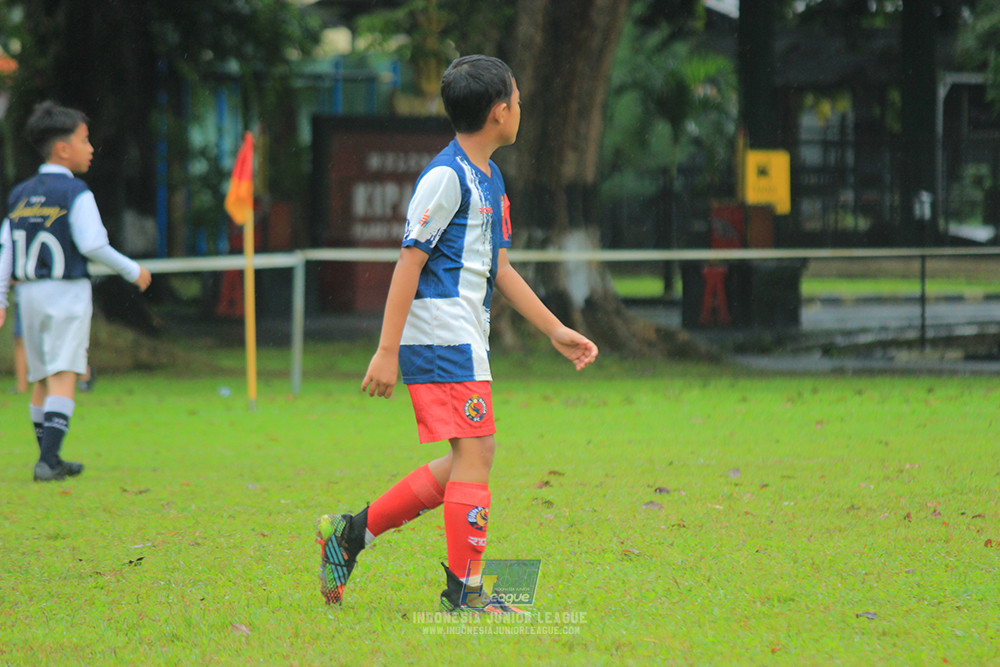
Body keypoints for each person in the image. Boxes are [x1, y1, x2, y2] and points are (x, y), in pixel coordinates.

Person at [315, 55, 599, 613]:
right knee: (478, 453)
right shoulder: (445, 177)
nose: (521, 108)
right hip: (441, 338)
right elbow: (408, 263)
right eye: (517, 100)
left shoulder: (490, 178)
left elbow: (502, 269)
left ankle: (347, 536)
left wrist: (555, 329)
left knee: (467, 460)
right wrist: (386, 350)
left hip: (468, 338)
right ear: (499, 113)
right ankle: (464, 594)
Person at [0, 101, 152, 482]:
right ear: (62, 148)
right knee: (65, 372)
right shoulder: (75, 192)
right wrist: (132, 269)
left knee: (40, 378)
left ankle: (48, 455)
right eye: (84, 140)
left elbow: (6, 249)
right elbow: (93, 245)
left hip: (29, 295)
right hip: (66, 292)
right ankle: (48, 461)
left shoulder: (20, 193)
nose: (91, 148)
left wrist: (1, 297)